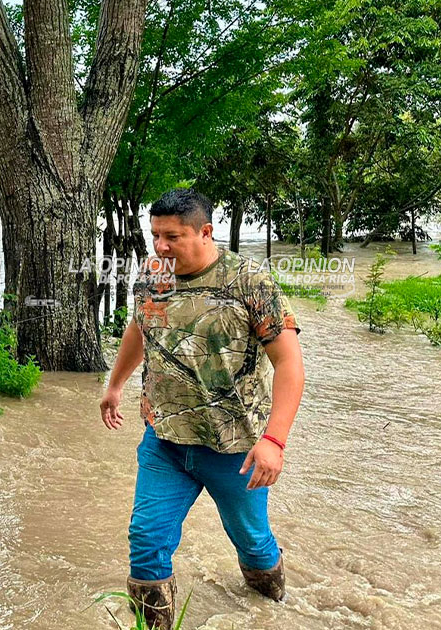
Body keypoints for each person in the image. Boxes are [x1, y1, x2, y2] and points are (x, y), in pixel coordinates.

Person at [99, 188, 306, 629]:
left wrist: (274, 441)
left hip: (234, 448)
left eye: (171, 236)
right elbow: (140, 328)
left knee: (253, 545)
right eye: (155, 235)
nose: (160, 247)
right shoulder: (153, 275)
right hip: (165, 442)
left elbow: (289, 364)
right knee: (146, 540)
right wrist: (114, 385)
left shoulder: (249, 281)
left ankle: (273, 611)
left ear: (206, 231)